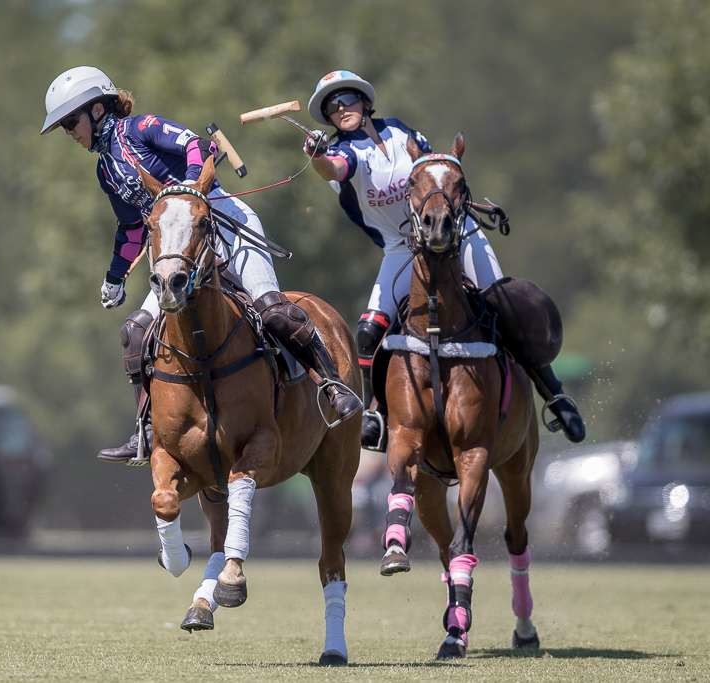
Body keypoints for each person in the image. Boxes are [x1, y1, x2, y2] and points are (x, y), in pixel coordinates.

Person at [40, 66, 362, 463]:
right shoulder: (105, 169)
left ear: (98, 111)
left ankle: (332, 385)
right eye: (65, 126)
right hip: (176, 245)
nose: (70, 132)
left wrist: (191, 187)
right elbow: (131, 227)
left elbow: (196, 146)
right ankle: (145, 427)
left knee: (273, 311)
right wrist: (114, 277)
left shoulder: (142, 128)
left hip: (223, 222)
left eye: (72, 121)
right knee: (136, 333)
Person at [301, 70, 585, 448]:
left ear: (365, 103)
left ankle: (553, 392)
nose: (341, 109)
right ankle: (376, 414)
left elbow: (438, 173)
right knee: (368, 332)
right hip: (402, 248)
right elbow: (332, 169)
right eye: (332, 107)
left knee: (502, 303)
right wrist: (317, 154)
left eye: (347, 99)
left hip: (457, 233)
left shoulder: (401, 131)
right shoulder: (343, 151)